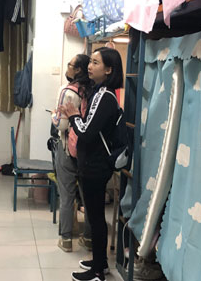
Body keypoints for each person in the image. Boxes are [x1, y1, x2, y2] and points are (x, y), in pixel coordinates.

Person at [59, 47, 124, 281]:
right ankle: (100, 262)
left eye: (96, 63)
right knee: (96, 217)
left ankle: (97, 271)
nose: (90, 66)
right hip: (92, 163)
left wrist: (74, 116)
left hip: (96, 166)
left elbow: (86, 132)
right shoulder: (100, 91)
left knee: (96, 218)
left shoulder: (104, 95)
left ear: (108, 70)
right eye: (90, 62)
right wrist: (77, 116)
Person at [51, 54, 93, 252]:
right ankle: (89, 238)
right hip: (88, 150)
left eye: (70, 65)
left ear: (78, 70)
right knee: (88, 196)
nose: (67, 67)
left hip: (68, 147)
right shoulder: (94, 91)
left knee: (67, 194)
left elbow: (61, 124)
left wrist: (54, 115)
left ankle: (66, 240)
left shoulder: (67, 91)